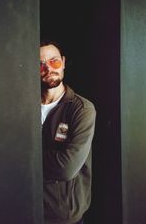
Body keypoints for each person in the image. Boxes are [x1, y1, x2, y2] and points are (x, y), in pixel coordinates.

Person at [40, 40, 96, 224]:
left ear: (63, 62)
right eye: (40, 64)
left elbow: (66, 167)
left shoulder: (81, 109)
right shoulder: (23, 107)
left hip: (62, 216)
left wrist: (22, 159)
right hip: (25, 209)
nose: (49, 68)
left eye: (54, 61)